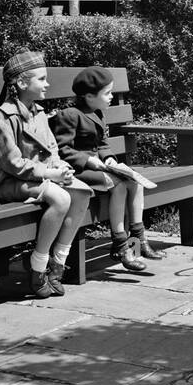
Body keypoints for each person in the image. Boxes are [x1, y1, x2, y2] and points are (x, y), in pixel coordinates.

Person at [0, 50, 93, 298]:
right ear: (21, 83)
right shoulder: (4, 118)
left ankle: (58, 264)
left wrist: (60, 167)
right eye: (41, 79)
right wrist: (52, 174)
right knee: (61, 198)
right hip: (5, 182)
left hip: (37, 176)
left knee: (82, 193)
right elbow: (13, 164)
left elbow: (51, 146)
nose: (47, 84)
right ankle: (38, 266)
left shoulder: (38, 111)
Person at [50, 66, 162, 273]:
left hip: (99, 167)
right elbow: (62, 150)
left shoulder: (97, 112)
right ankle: (120, 245)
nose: (110, 97)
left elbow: (102, 144)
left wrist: (109, 159)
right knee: (118, 186)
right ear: (89, 96)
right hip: (77, 170)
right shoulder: (69, 115)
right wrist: (91, 161)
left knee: (134, 182)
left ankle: (138, 239)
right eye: (107, 93)